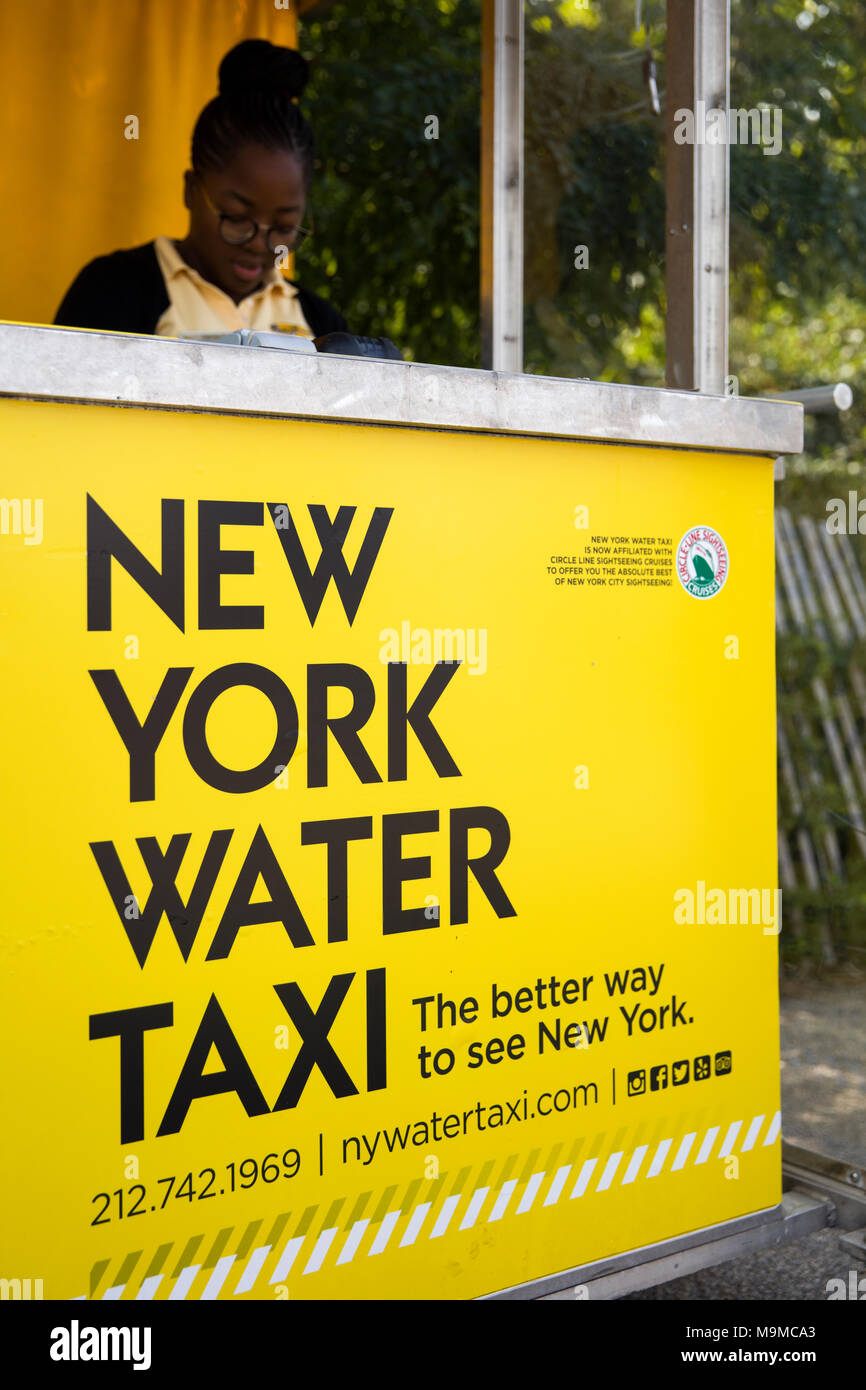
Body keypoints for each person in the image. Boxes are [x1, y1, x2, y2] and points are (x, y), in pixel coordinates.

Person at [53, 39, 347, 340]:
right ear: (191, 190)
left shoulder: (321, 322)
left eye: (284, 227)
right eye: (236, 217)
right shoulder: (114, 288)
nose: (258, 245)